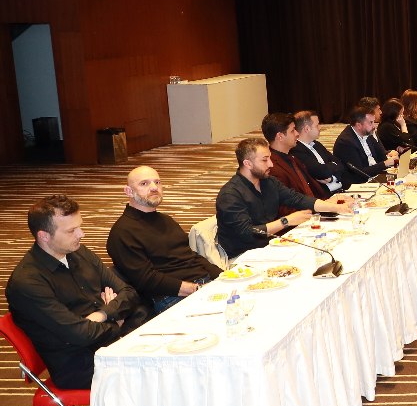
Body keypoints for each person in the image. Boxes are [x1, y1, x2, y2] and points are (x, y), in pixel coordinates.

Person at [6, 195, 148, 389]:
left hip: (111, 342)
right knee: (161, 372)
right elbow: (80, 334)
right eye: (71, 230)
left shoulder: (78, 252)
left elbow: (128, 292)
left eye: (79, 226)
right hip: (81, 364)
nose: (82, 234)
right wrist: (117, 322)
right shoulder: (27, 283)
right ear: (44, 236)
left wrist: (103, 313)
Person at [106, 166, 224, 313]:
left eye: (157, 182)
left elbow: (191, 256)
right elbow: (146, 280)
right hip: (171, 297)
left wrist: (222, 276)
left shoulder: (166, 220)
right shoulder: (122, 232)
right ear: (129, 191)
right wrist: (197, 289)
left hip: (203, 284)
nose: (154, 188)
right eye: (144, 183)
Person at [217, 138, 354, 259]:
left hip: (269, 246)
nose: (271, 164)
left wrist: (336, 207)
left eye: (270, 158)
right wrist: (286, 221)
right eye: (265, 160)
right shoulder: (230, 195)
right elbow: (247, 233)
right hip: (243, 256)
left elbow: (298, 199)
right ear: (247, 164)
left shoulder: (268, 182)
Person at [262, 112, 324, 212]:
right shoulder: (271, 167)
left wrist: (328, 204)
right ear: (280, 136)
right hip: (302, 216)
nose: (297, 133)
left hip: (316, 208)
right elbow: (283, 206)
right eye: (292, 131)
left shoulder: (292, 158)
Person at [333, 106, 404, 182]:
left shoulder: (367, 134)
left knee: (403, 179)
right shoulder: (346, 142)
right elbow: (359, 172)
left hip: (375, 176)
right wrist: (385, 164)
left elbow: (381, 157)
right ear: (359, 125)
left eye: (373, 122)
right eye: (371, 122)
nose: (374, 126)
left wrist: (390, 155)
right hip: (359, 182)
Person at [292, 111, 343, 197]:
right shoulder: (296, 150)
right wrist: (333, 166)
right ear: (307, 129)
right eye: (317, 125)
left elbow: (340, 164)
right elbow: (322, 172)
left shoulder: (317, 144)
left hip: (340, 191)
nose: (320, 127)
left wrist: (331, 178)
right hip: (325, 197)